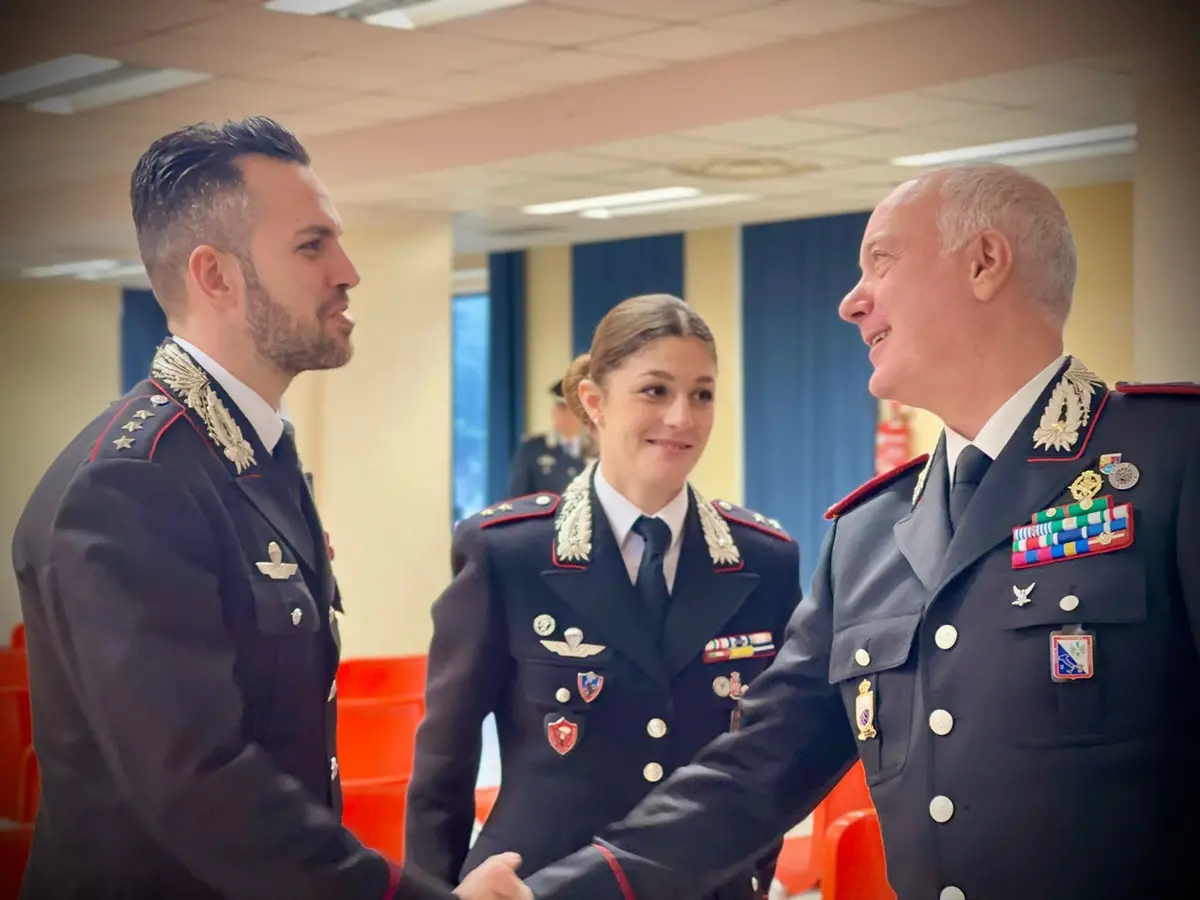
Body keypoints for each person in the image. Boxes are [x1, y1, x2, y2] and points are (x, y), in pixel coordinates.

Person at [519, 163, 1200, 900]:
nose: (851, 302)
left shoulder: (1172, 460)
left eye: (881, 261)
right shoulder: (870, 534)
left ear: (984, 263)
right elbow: (756, 771)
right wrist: (553, 893)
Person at [11, 116, 526, 900]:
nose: (349, 271)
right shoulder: (129, 485)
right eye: (312, 246)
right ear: (216, 276)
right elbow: (203, 788)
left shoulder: (251, 455)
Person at [405, 293, 801, 900]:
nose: (682, 417)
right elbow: (444, 763)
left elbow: (772, 755)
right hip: (538, 885)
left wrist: (748, 877)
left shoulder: (762, 561)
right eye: (654, 391)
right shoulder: (510, 553)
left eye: (701, 394)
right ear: (594, 402)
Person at [507, 380, 591, 497]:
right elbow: (518, 499)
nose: (561, 414)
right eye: (559, 407)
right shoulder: (533, 449)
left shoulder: (598, 451)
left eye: (567, 409)